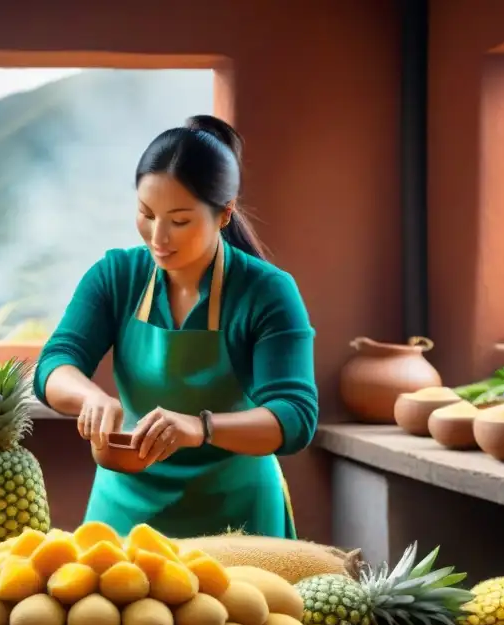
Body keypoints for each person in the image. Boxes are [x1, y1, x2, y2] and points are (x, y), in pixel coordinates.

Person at [32, 114, 318, 539]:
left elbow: (295, 417)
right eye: (146, 214)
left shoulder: (268, 291)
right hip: (125, 510)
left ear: (225, 214)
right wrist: (88, 396)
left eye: (179, 221)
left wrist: (200, 427)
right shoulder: (116, 275)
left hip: (237, 517)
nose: (158, 237)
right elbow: (55, 363)